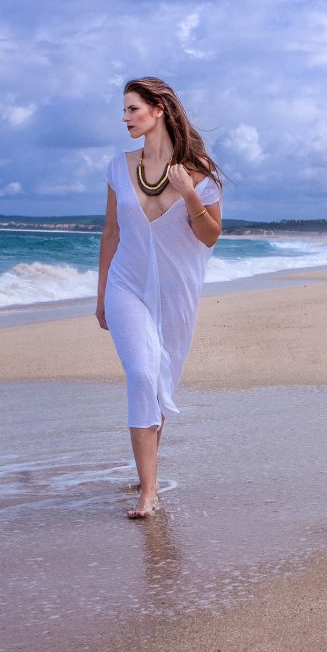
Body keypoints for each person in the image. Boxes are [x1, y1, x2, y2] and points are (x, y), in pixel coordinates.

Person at [95, 77, 224, 519]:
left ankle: (145, 469)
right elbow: (111, 232)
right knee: (142, 374)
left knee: (159, 379)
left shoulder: (200, 171)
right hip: (125, 285)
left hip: (175, 293)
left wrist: (189, 194)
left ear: (159, 110)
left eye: (133, 109)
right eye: (125, 110)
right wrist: (101, 296)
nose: (125, 117)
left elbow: (209, 236)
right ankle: (149, 491)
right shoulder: (118, 166)